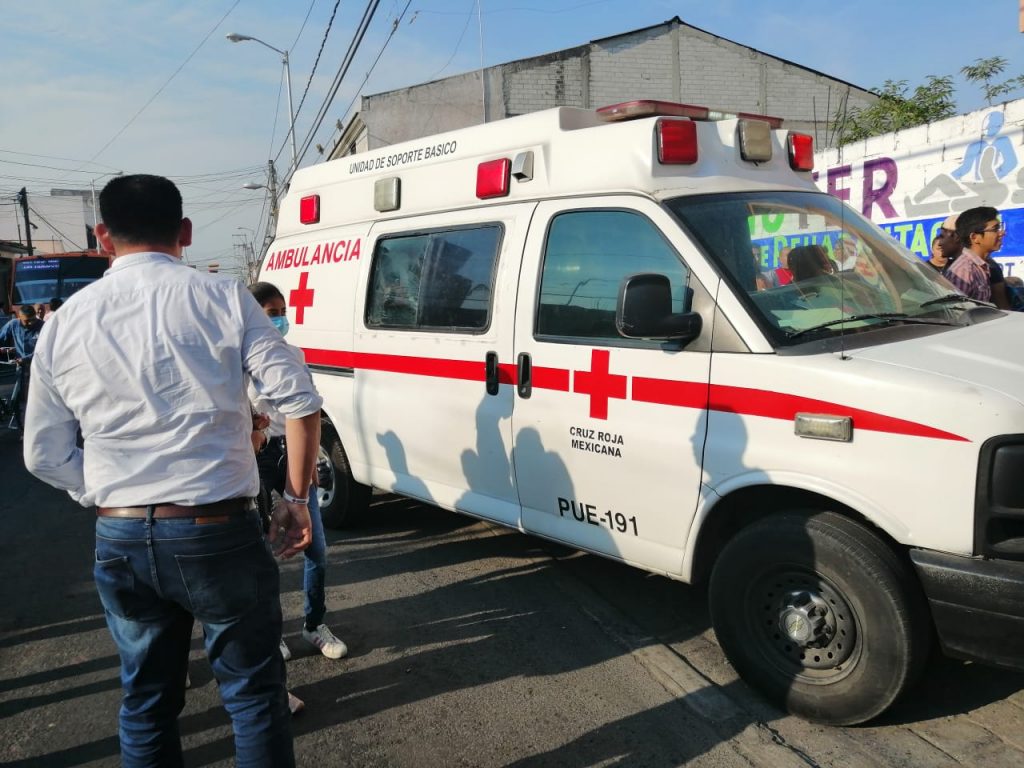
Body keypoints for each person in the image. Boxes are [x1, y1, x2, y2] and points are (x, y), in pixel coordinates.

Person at [23, 174, 322, 768]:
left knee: (147, 703)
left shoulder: (64, 321)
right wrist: (294, 499)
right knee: (254, 698)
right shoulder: (224, 298)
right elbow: (299, 400)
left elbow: (43, 454)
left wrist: (102, 490)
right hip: (218, 529)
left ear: (102, 236)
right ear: (184, 231)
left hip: (121, 535)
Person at [247, 282, 348, 663]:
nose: (280, 320)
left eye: (282, 313)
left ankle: (314, 623)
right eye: (271, 314)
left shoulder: (294, 355)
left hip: (292, 453)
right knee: (260, 556)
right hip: (256, 457)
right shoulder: (236, 360)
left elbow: (309, 412)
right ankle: (269, 632)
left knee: (315, 547)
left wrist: (309, 462)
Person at [948, 206, 1005, 303]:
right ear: (974, 237)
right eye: (995, 229)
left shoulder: (981, 265)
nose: (1002, 233)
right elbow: (957, 310)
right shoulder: (964, 271)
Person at [0, 304, 43, 432]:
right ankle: (24, 427)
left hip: (39, 366)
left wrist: (25, 359)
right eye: (26, 321)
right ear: (19, 317)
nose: (30, 323)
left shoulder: (42, 326)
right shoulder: (13, 324)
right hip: (21, 366)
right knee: (20, 399)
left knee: (36, 399)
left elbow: (42, 350)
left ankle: (34, 428)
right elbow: (1, 338)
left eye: (32, 320)